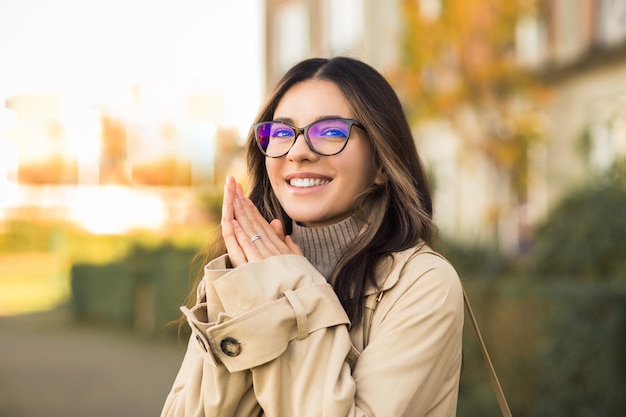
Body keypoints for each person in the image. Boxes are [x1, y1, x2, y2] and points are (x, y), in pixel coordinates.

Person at [160, 56, 464, 417]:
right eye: (281, 133)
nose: (299, 151)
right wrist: (251, 296)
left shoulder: (423, 284)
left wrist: (291, 288)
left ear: (382, 163)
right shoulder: (240, 277)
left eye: (331, 131)